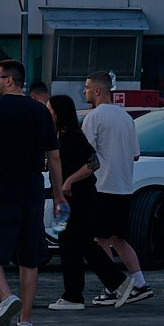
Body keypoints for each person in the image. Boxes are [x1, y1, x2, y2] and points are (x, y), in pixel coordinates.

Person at [0, 59, 65, 326]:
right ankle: (25, 322)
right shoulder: (40, 112)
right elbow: (55, 157)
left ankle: (6, 296)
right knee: (29, 257)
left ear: (9, 80)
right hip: (31, 191)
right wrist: (58, 193)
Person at [46, 93, 128, 312]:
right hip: (67, 200)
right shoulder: (60, 136)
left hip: (77, 198)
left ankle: (75, 295)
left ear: (58, 113)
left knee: (71, 243)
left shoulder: (71, 136)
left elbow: (93, 162)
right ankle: (114, 282)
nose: (47, 114)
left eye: (50, 110)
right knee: (78, 243)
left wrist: (69, 181)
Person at [81, 71, 151, 305]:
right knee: (118, 238)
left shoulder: (94, 117)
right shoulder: (126, 117)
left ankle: (114, 286)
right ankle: (140, 283)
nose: (85, 91)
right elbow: (136, 155)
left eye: (88, 87)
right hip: (124, 186)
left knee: (99, 239)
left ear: (98, 91)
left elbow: (87, 155)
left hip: (103, 186)